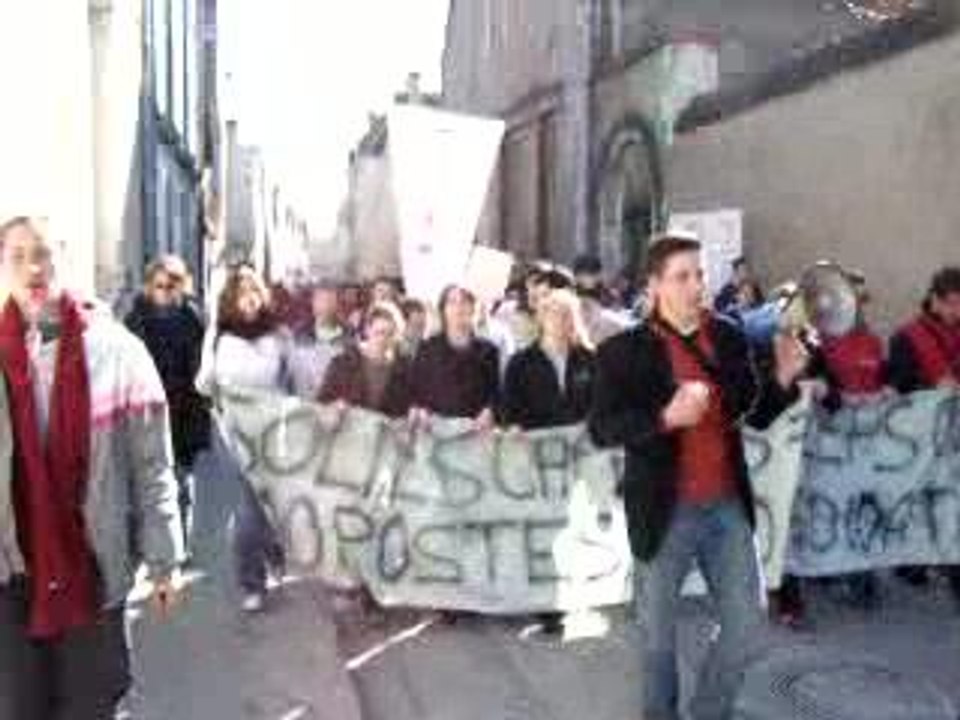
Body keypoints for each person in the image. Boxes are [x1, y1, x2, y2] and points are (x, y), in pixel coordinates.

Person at [589, 232, 808, 720]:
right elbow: (602, 429)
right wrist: (664, 418)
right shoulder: (623, 351)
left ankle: (710, 711)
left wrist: (783, 379)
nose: (695, 286)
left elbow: (754, 413)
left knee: (747, 625)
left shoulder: (728, 335)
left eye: (700, 274)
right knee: (657, 642)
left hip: (726, 505)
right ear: (656, 285)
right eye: (682, 276)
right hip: (665, 512)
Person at [0, 216, 183, 718]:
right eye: (16, 256)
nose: (32, 267)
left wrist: (164, 557)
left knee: (89, 706)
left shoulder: (118, 352)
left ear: (63, 257)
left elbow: (153, 463)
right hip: (12, 572)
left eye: (41, 253)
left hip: (93, 565)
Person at [196, 264, 290, 613]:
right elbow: (203, 384)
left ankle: (272, 549)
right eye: (240, 293)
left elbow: (292, 380)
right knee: (247, 508)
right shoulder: (219, 334)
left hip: (271, 431)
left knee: (269, 505)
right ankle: (252, 582)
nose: (248, 298)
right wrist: (215, 379)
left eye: (253, 291)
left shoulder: (277, 334)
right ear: (231, 300)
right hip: (232, 432)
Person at [502, 288, 596, 634]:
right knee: (544, 529)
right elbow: (510, 409)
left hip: (577, 460)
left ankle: (571, 591)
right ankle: (547, 601)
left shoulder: (589, 359)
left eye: (566, 314)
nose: (560, 320)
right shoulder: (521, 363)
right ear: (541, 318)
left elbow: (601, 404)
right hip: (537, 459)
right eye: (553, 313)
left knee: (571, 526)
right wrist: (515, 430)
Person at [125, 255, 210, 562]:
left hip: (183, 413)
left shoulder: (193, 318)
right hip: (146, 414)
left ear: (180, 286)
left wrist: (205, 401)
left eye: (171, 284)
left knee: (182, 484)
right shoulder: (135, 320)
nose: (164, 290)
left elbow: (204, 368)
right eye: (158, 285)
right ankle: (147, 546)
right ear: (149, 286)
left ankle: (180, 546)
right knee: (147, 484)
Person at [887, 266, 960, 607]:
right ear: (935, 299)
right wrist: (933, 388)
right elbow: (899, 386)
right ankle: (915, 564)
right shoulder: (906, 337)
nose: (957, 312)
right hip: (924, 439)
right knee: (925, 503)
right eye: (953, 305)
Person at [409, 285, 500, 431]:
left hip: (475, 432)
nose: (458, 308)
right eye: (451, 302)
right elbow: (415, 390)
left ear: (472, 308)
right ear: (443, 310)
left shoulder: (488, 350)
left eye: (464, 302)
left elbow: (496, 393)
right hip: (435, 433)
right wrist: (420, 410)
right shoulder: (427, 348)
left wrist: (489, 411)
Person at [318, 303, 412, 417]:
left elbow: (404, 412)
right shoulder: (343, 363)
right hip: (349, 431)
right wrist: (335, 407)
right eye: (379, 333)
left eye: (390, 335)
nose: (383, 340)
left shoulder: (401, 372)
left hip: (382, 432)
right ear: (367, 330)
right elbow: (322, 401)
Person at [288, 280, 352, 400]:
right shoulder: (299, 333)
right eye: (321, 300)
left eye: (330, 301)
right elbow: (290, 372)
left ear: (337, 304)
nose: (325, 306)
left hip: (334, 405)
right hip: (303, 402)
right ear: (313, 302)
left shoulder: (349, 335)